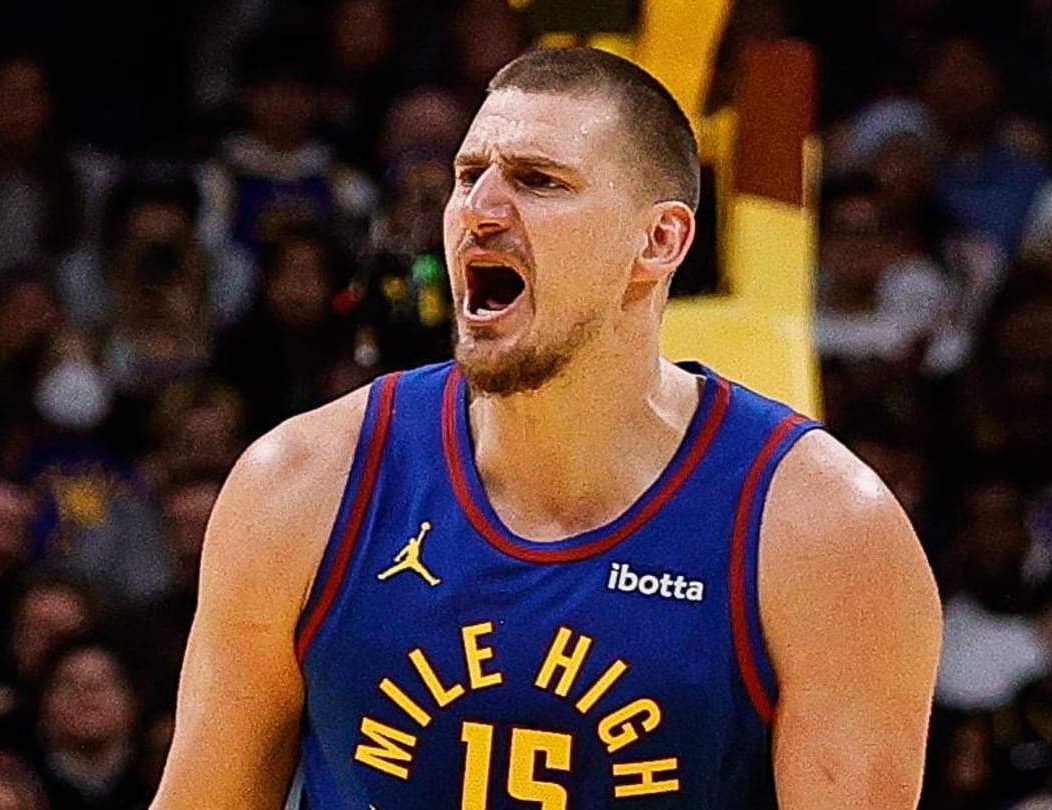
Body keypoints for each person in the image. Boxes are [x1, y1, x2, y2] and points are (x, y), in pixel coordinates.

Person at [151, 47, 941, 809]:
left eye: (538, 180)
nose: (480, 212)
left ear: (659, 240)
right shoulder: (303, 479)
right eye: (470, 177)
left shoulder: (828, 532)